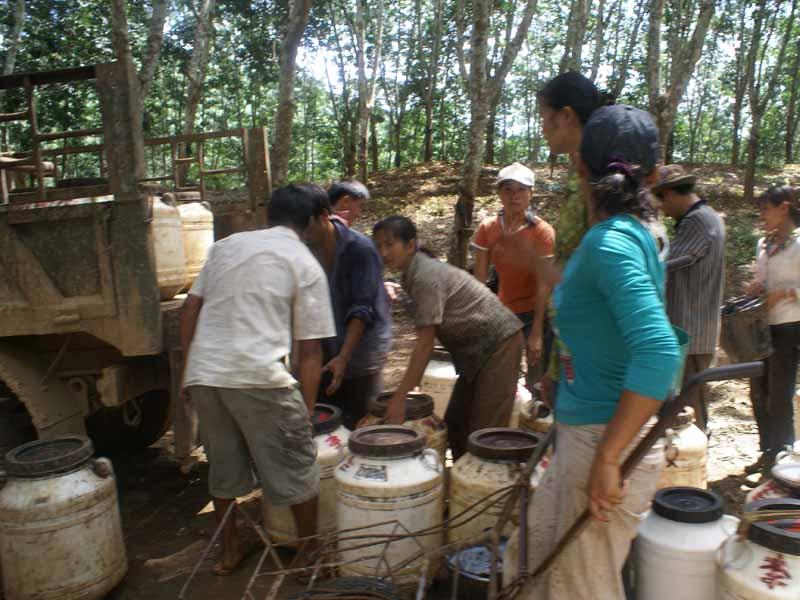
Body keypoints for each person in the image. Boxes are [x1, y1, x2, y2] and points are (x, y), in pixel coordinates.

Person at [512, 105, 682, 600]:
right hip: (584, 424)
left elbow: (657, 350)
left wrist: (609, 457)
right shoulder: (625, 238)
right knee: (529, 561)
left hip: (604, 438)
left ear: (581, 168)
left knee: (578, 587)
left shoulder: (611, 243)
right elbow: (591, 296)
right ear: (652, 176)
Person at [180, 184, 336, 575]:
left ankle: (229, 553)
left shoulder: (225, 246)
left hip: (206, 376)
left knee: (223, 467)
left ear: (270, 214)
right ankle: (307, 554)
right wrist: (307, 410)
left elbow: (190, 308)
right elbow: (312, 351)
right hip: (259, 378)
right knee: (298, 463)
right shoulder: (305, 263)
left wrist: (190, 369)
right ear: (316, 220)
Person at [372, 216, 524, 459]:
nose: (383, 252)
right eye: (378, 246)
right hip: (477, 351)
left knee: (485, 435)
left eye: (389, 244)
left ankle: (485, 490)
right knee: (456, 423)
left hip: (499, 344)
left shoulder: (424, 276)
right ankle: (459, 483)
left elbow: (424, 344)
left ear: (410, 245)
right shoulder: (412, 273)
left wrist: (400, 397)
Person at [533, 72, 613, 391]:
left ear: (566, 116)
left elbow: (599, 261)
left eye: (543, 117)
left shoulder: (600, 175)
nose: (541, 128)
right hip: (571, 335)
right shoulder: (577, 169)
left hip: (592, 345)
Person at [304, 184, 392, 429]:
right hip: (327, 349)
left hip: (362, 352)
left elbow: (362, 308)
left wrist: (343, 357)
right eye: (358, 205)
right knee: (328, 422)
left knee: (363, 424)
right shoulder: (307, 248)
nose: (359, 212)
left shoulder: (360, 248)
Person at [654, 165, 726, 433]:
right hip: (692, 327)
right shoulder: (704, 219)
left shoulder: (699, 221)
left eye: (662, 200)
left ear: (672, 193)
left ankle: (695, 466)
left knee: (689, 408)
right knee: (689, 403)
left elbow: (666, 265)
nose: (663, 208)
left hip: (692, 330)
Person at [472, 162, 555, 382]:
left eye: (521, 190)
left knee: (537, 377)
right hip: (502, 311)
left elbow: (543, 285)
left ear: (531, 194)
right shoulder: (488, 228)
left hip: (535, 313)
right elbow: (479, 280)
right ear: (499, 193)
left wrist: (536, 333)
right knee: (498, 375)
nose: (514, 196)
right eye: (507, 189)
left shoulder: (542, 232)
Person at [745, 185, 800, 474]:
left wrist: (785, 293)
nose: (761, 216)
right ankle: (768, 450)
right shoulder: (763, 245)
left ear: (785, 207)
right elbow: (762, 281)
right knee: (758, 391)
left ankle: (785, 459)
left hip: (788, 328)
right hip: (761, 327)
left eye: (766, 209)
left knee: (779, 395)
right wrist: (757, 288)